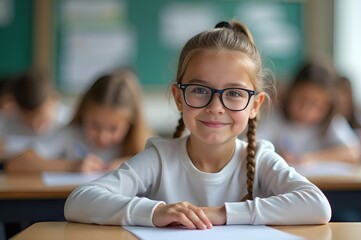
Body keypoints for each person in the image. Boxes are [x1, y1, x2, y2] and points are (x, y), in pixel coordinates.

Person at [64, 21, 331, 229]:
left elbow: (317, 206)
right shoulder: (159, 157)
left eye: (235, 93)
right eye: (200, 90)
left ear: (255, 105)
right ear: (179, 97)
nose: (216, 107)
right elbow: (79, 202)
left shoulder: (262, 158)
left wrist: (221, 213)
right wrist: (155, 212)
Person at [6, 69, 154, 172]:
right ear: (83, 113)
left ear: (131, 124)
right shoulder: (71, 135)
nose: (103, 136)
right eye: (95, 125)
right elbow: (17, 164)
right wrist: (71, 166)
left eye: (113, 128)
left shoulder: (147, 146)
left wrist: (130, 164)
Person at [258, 60, 361, 166]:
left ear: (329, 106)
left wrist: (311, 158)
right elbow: (254, 146)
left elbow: (355, 153)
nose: (307, 111)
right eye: (302, 101)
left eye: (317, 106)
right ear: (290, 93)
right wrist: (276, 155)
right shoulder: (275, 118)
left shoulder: (331, 122)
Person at [0, 69, 71, 160]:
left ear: (54, 99)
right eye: (29, 123)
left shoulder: (70, 120)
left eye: (43, 119)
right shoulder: (9, 121)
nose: (37, 127)